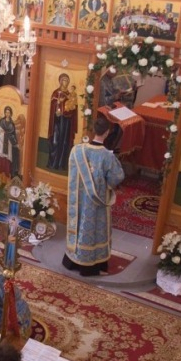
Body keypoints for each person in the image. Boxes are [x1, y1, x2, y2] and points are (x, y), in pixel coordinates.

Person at [63, 116, 124, 276]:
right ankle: (91, 263)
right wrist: (106, 185)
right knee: (95, 229)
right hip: (97, 202)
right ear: (107, 133)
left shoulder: (77, 150)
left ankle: (73, 259)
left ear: (93, 130)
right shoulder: (107, 156)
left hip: (79, 200)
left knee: (79, 226)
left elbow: (73, 172)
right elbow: (117, 177)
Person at [47, 73, 78, 170]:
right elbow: (53, 104)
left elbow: (73, 106)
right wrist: (58, 103)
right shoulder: (56, 93)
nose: (66, 82)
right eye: (64, 80)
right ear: (60, 81)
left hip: (66, 122)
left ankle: (61, 165)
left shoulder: (70, 94)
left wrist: (72, 107)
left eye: (67, 81)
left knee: (65, 142)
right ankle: (53, 164)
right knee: (56, 141)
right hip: (57, 120)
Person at [0, 106, 20, 183]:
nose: (7, 114)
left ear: (11, 113)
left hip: (8, 144)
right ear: (4, 113)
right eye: (6, 112)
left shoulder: (12, 124)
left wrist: (15, 143)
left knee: (7, 162)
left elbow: (13, 135)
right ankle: (0, 180)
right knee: (0, 161)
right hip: (1, 143)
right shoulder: (1, 121)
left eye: (9, 112)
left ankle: (7, 181)